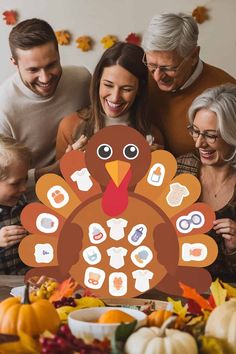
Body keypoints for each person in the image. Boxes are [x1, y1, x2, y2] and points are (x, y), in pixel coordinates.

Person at [0, 18, 91, 200]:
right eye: (33, 70)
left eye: (51, 65)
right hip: (29, 199)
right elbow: (5, 183)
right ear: (14, 63)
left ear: (59, 54)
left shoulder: (82, 79)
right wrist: (59, 167)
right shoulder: (4, 106)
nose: (45, 78)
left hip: (82, 184)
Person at [142, 12, 236, 157]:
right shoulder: (139, 77)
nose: (157, 76)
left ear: (193, 56)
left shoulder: (227, 90)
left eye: (168, 68)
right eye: (151, 65)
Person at [56, 42, 163, 159]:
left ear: (139, 89)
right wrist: (70, 163)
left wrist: (156, 162)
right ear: (98, 82)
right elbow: (58, 176)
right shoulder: (70, 126)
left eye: (126, 89)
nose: (115, 97)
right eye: (108, 85)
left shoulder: (152, 136)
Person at [176, 83, 236, 282]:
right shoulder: (181, 169)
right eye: (195, 131)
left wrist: (233, 248)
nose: (198, 143)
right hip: (174, 287)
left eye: (210, 135)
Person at [0, 135, 31, 274]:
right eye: (15, 183)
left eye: (25, 180)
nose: (24, 188)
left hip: (25, 279)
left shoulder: (21, 201)